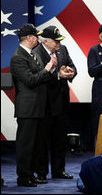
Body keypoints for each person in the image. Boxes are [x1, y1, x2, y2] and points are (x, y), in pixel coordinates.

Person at [10, 24, 57, 187]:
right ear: (29, 38)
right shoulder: (18, 57)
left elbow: (40, 77)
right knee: (26, 145)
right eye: (36, 36)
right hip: (28, 109)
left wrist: (51, 71)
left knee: (36, 145)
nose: (38, 38)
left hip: (38, 108)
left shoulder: (30, 55)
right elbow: (30, 80)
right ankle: (23, 177)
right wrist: (47, 69)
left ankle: (30, 174)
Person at [33, 26, 76, 182]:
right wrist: (58, 75)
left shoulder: (62, 49)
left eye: (59, 41)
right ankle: (42, 172)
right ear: (45, 41)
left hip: (62, 101)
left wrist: (70, 71)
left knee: (60, 138)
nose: (58, 43)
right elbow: (39, 77)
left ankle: (59, 170)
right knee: (43, 139)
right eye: (55, 41)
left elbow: (72, 65)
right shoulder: (37, 53)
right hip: (45, 102)